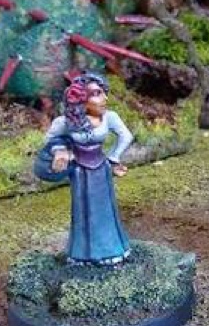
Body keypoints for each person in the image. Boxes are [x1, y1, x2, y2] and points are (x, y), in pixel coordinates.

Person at [34, 71, 134, 265]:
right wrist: (61, 150)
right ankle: (82, 254)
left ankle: (112, 249)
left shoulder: (109, 117)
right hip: (79, 172)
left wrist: (113, 158)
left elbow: (126, 136)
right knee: (83, 212)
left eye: (104, 93)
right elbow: (49, 139)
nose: (104, 99)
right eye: (97, 94)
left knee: (105, 210)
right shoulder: (65, 122)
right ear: (81, 99)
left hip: (101, 170)